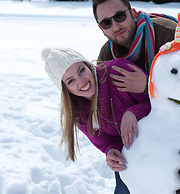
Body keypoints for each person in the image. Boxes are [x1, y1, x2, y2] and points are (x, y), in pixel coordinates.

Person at [41, 47, 151, 194]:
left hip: (159, 143)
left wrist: (134, 112)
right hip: (130, 156)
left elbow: (161, 102)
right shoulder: (78, 112)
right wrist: (111, 150)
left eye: (81, 70)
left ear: (88, 65)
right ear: (65, 89)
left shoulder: (117, 71)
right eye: (71, 81)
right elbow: (104, 141)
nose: (82, 81)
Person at [92, 0, 177, 94]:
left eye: (119, 16)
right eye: (106, 23)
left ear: (133, 14)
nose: (116, 27)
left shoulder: (169, 34)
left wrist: (148, 84)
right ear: (102, 30)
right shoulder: (107, 56)